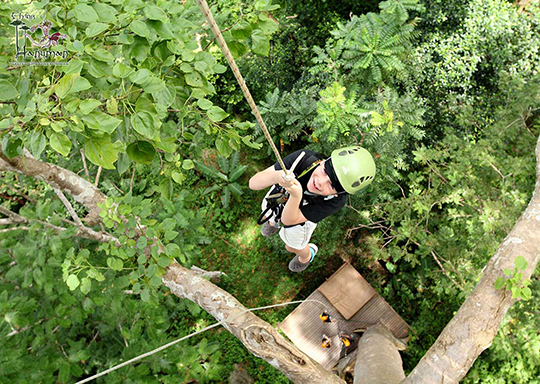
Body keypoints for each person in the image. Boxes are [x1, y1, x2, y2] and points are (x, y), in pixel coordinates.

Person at [248, 146, 376, 272]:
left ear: (338, 193)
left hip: (300, 219)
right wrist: (278, 176)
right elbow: (253, 183)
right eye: (326, 171)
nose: (321, 182)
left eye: (332, 185)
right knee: (268, 209)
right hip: (281, 197)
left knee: (291, 246)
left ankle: (306, 256)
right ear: (324, 161)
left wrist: (296, 195)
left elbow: (289, 220)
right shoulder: (303, 158)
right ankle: (273, 222)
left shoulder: (336, 201)